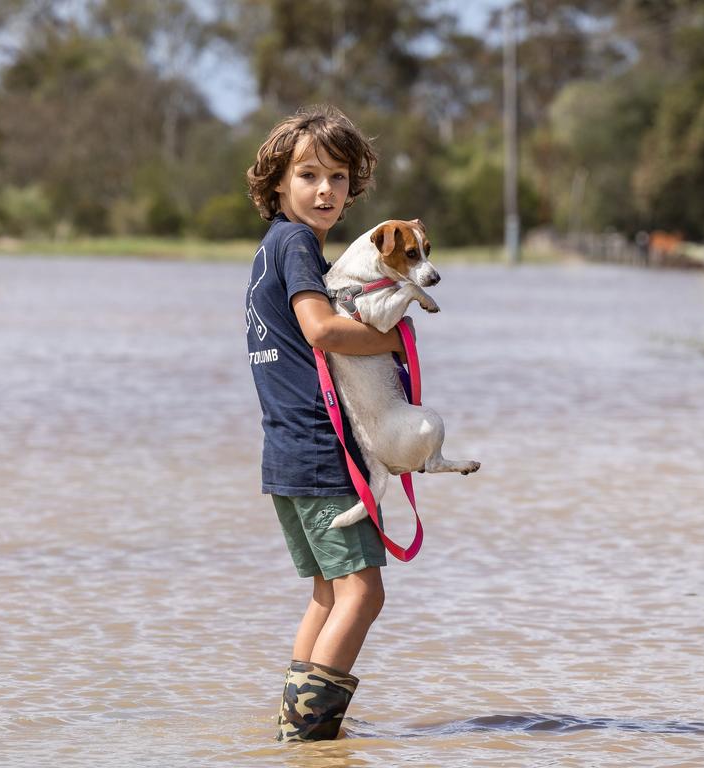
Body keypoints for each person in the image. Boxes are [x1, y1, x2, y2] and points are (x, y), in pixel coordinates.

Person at [244, 104, 409, 742]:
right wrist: (396, 342)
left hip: (287, 455)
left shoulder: (268, 250)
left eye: (338, 178)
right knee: (363, 595)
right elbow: (320, 329)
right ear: (278, 182)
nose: (325, 190)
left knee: (327, 594)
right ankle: (310, 735)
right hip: (319, 450)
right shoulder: (296, 244)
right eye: (308, 174)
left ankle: (294, 728)